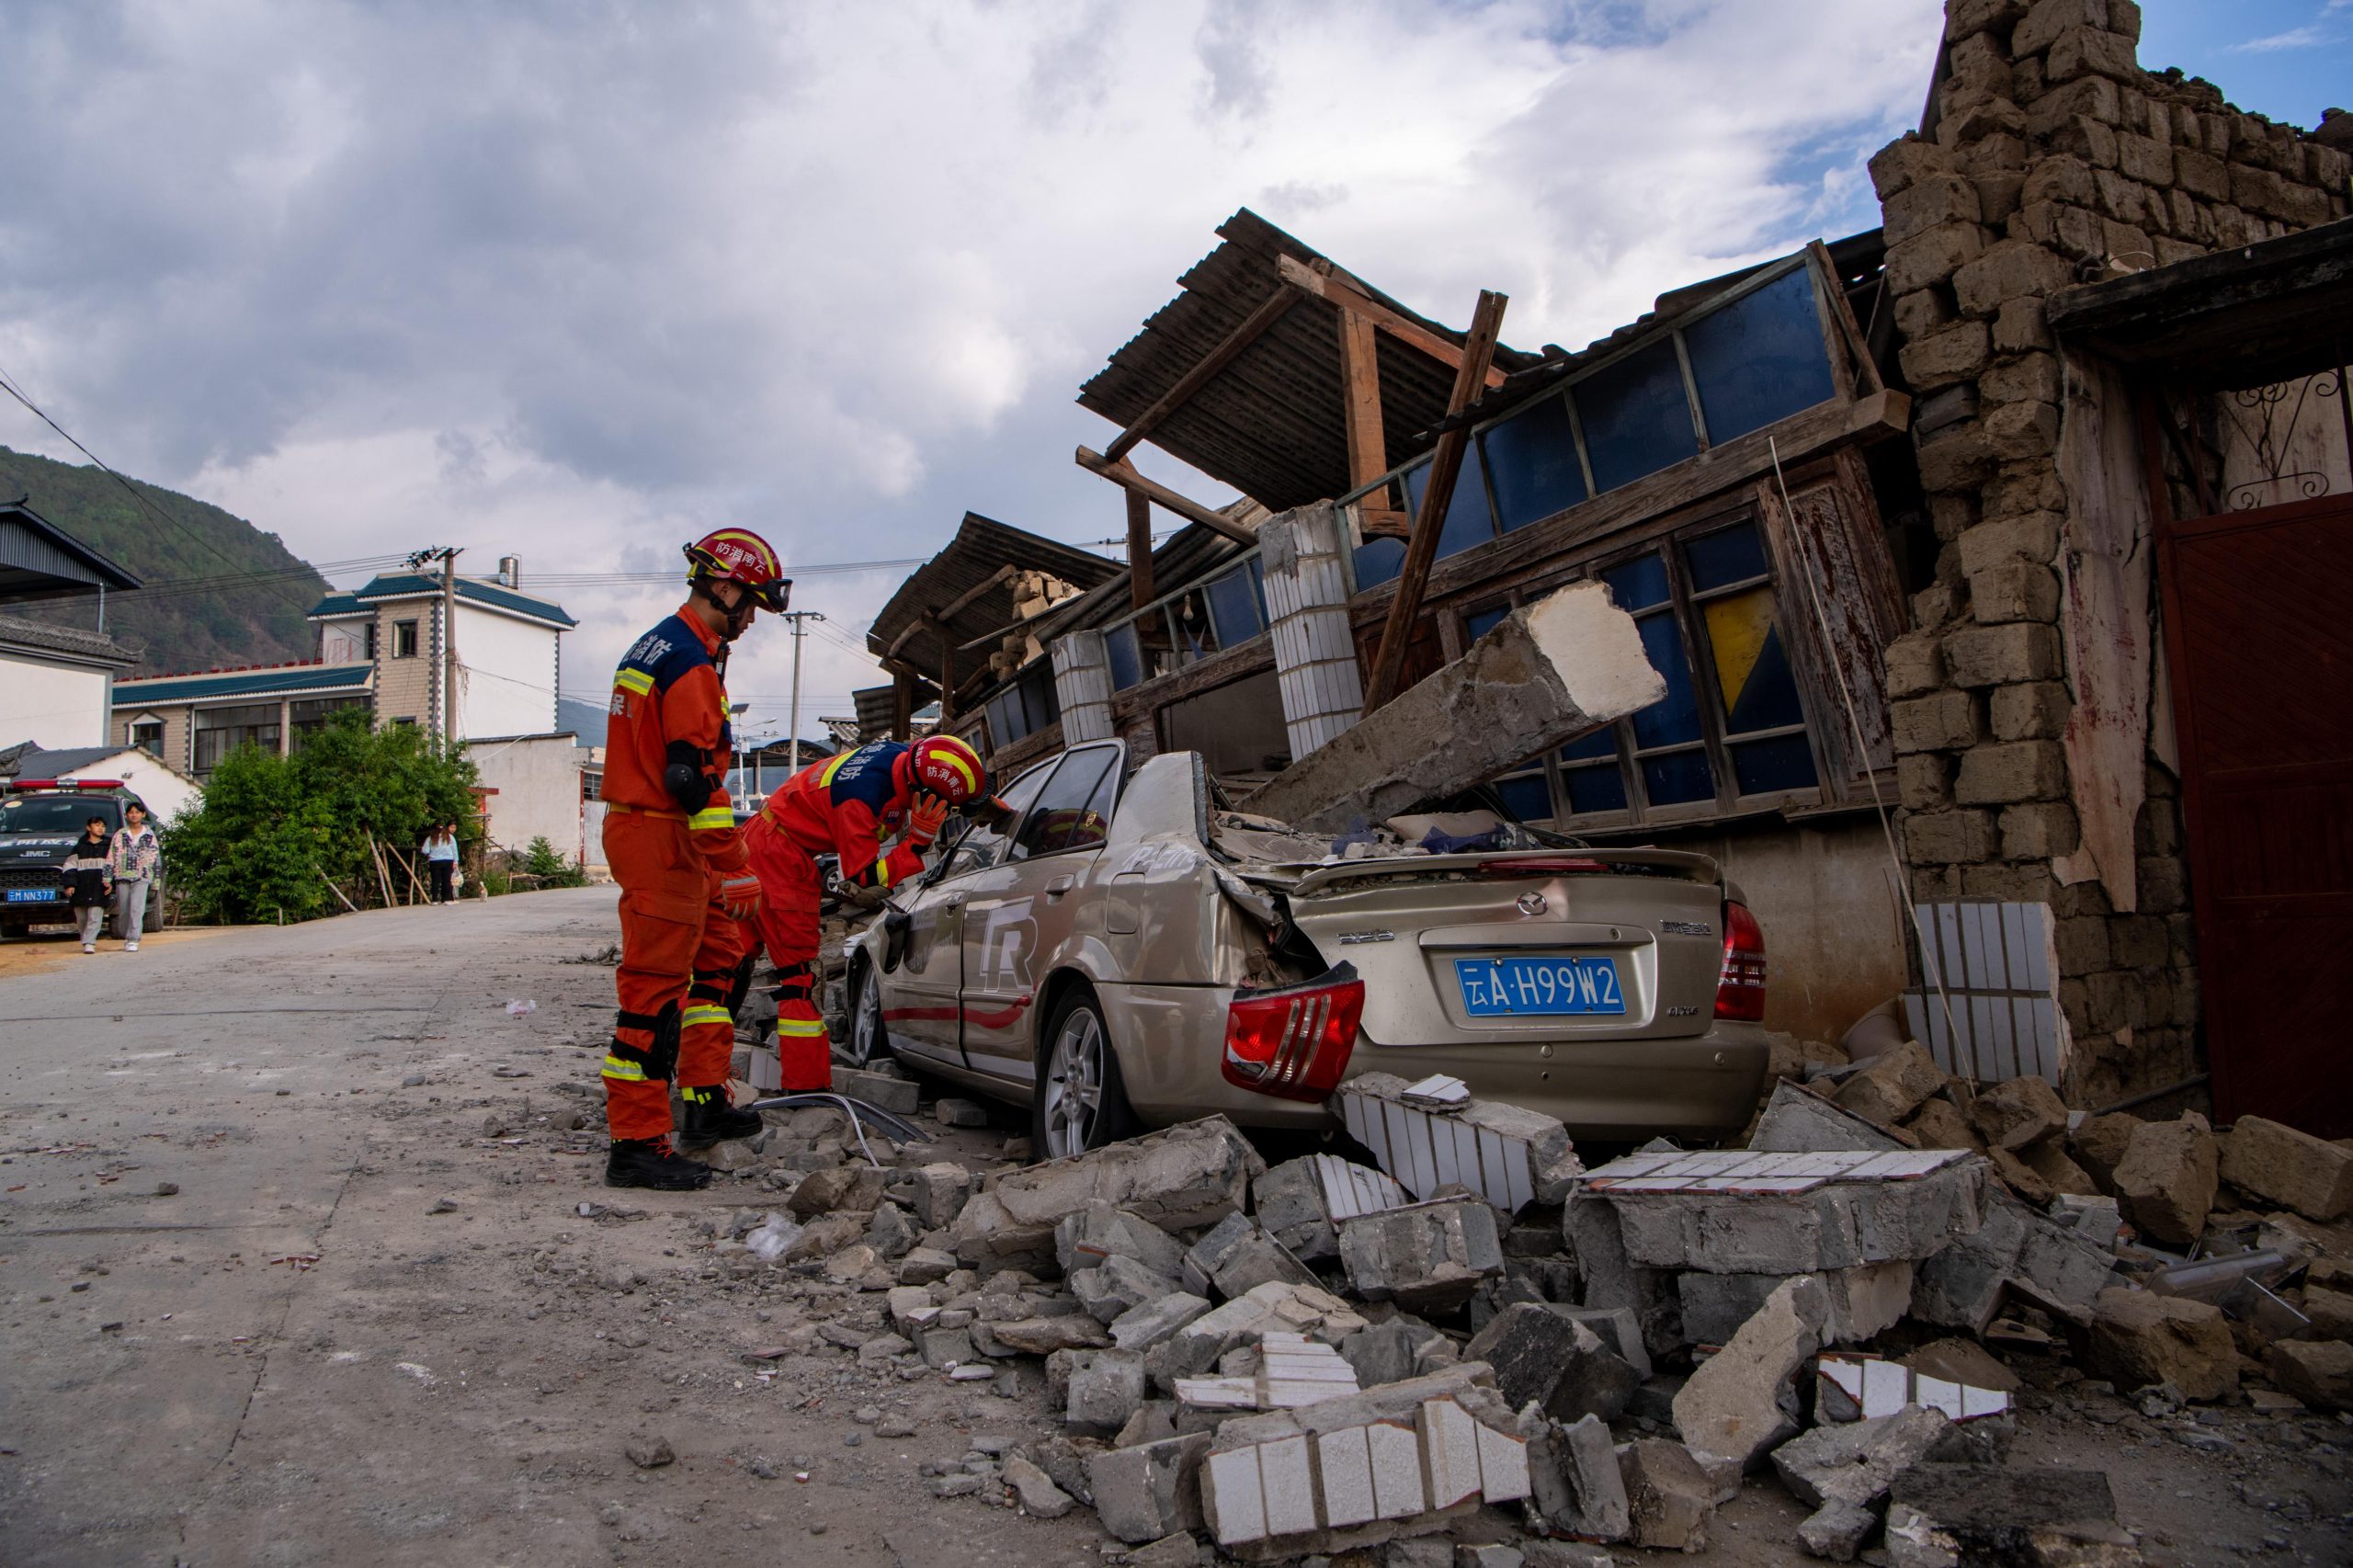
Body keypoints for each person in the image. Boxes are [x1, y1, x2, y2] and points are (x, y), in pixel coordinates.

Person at [599, 528, 789, 1190]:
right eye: (753, 607)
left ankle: (705, 1101)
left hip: (661, 832)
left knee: (719, 960)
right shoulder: (690, 664)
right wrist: (733, 860)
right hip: (663, 838)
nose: (753, 621)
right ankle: (637, 1143)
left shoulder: (663, 643)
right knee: (652, 994)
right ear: (726, 588)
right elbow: (691, 780)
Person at [745, 734, 1004, 1091]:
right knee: (797, 978)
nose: (948, 813)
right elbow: (863, 883)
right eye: (947, 807)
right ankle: (805, 1087)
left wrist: (990, 807)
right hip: (778, 856)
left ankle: (702, 1081)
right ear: (924, 794)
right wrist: (915, 843)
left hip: (762, 840)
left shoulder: (906, 757)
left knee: (724, 967)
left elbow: (947, 776)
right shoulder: (859, 802)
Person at [108, 801, 160, 953]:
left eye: (137, 812)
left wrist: (156, 882)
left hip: (142, 876)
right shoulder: (120, 835)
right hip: (122, 875)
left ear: (143, 814)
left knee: (137, 908)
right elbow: (111, 856)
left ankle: (133, 939)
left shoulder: (149, 835)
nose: (134, 815)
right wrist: (106, 878)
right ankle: (126, 935)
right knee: (124, 909)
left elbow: (156, 859)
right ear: (126, 815)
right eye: (131, 812)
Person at [62, 815, 112, 954]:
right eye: (97, 825)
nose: (101, 828)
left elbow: (114, 865)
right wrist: (70, 885)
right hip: (81, 888)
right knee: (82, 918)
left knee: (95, 916)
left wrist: (110, 882)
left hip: (99, 887)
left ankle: (89, 942)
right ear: (88, 828)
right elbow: (69, 867)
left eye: (103, 826)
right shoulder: (79, 847)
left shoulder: (109, 847)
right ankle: (85, 939)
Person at [422, 822, 460, 903]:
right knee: (447, 880)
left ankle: (435, 900)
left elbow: (425, 850)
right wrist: (455, 861)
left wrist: (430, 853)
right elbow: (454, 850)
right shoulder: (449, 837)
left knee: (435, 881)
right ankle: (446, 899)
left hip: (434, 861)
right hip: (448, 860)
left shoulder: (430, 838)